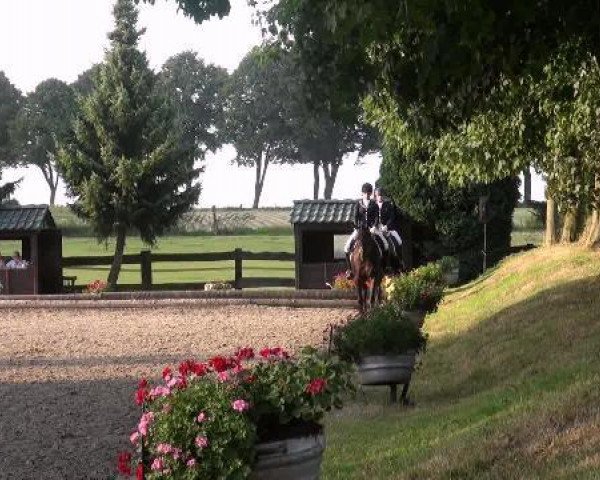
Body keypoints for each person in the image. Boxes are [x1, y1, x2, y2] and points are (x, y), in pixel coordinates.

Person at [344, 182, 378, 278]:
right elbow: (355, 217)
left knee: (385, 244)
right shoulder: (358, 204)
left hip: (372, 229)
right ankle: (350, 270)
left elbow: (376, 218)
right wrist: (357, 227)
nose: (367, 195)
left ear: (371, 193)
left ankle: (385, 266)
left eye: (368, 193)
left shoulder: (374, 204)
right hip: (360, 229)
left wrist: (374, 226)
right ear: (362, 193)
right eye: (365, 193)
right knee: (346, 247)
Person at [373, 187, 403, 272]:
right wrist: (374, 226)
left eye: (381, 195)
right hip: (376, 229)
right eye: (378, 195)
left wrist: (386, 226)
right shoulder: (372, 205)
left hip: (387, 228)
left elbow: (392, 217)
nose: (380, 197)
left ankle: (400, 261)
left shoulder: (388, 205)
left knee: (398, 241)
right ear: (375, 196)